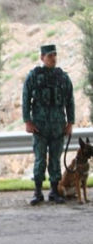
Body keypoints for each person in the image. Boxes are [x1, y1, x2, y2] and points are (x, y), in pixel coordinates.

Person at [22, 44, 75, 205]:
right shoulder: (34, 76)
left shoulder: (63, 77)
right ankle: (37, 192)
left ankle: (54, 191)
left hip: (58, 125)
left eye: (55, 55)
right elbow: (25, 98)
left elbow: (70, 101)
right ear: (42, 57)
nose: (53, 58)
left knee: (55, 160)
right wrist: (27, 121)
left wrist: (70, 122)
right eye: (50, 55)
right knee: (40, 160)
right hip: (39, 126)